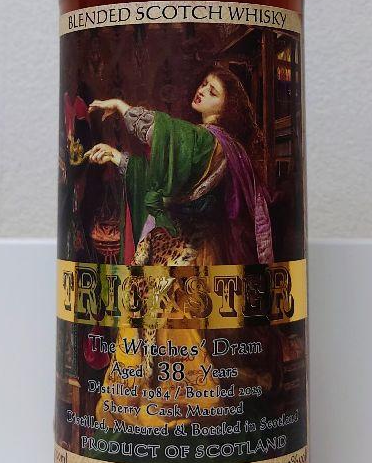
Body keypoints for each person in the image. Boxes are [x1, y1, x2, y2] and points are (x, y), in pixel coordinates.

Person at [83, 64, 274, 430]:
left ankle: (187, 405)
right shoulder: (207, 142)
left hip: (193, 253)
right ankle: (145, 401)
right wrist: (119, 159)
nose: (202, 91)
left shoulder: (213, 142)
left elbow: (171, 138)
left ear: (227, 107)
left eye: (213, 91)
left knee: (178, 327)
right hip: (170, 250)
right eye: (203, 84)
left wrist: (122, 108)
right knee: (147, 320)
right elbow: (162, 183)